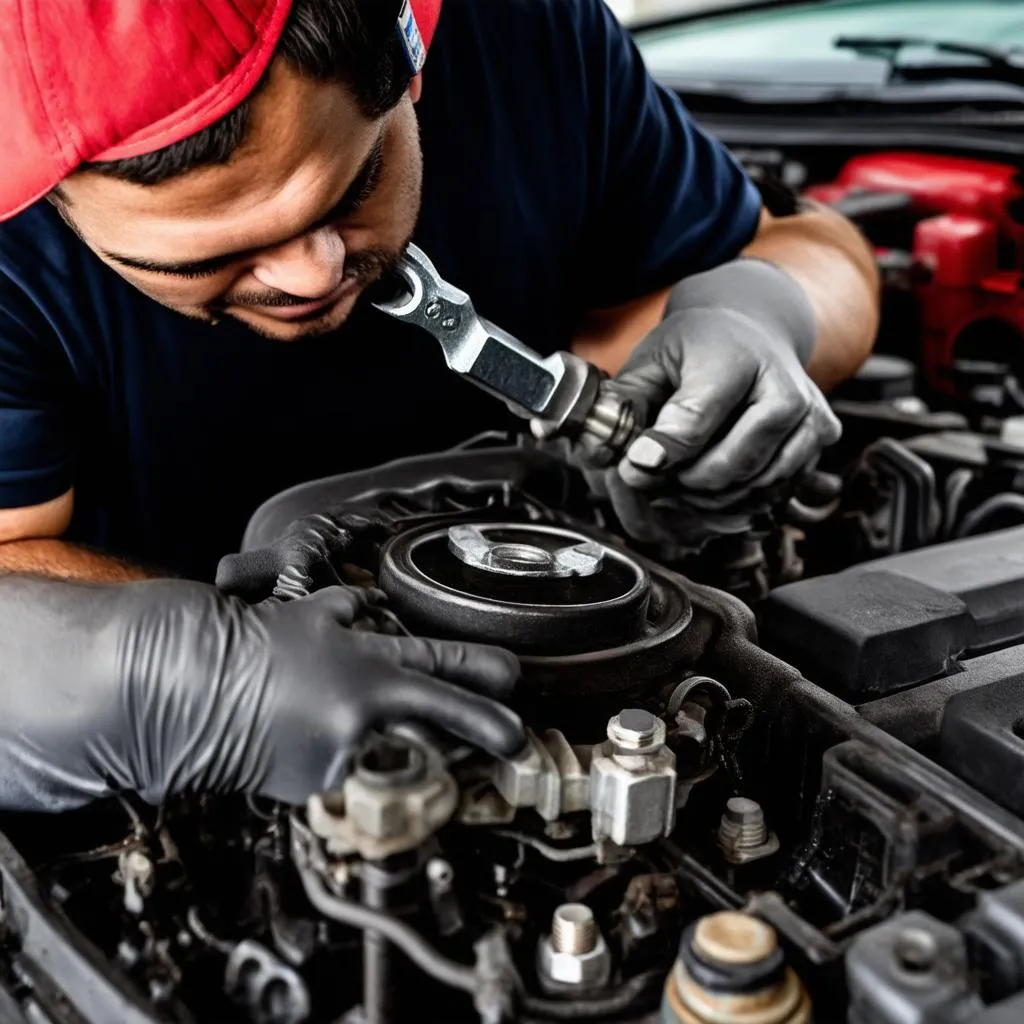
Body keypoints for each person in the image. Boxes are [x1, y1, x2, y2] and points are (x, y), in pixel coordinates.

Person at [0, 0, 879, 812]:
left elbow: (814, 252)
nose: (312, 274)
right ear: (59, 207)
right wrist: (188, 674)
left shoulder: (524, 35)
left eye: (355, 185)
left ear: (408, 60)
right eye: (208, 260)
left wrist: (762, 308)